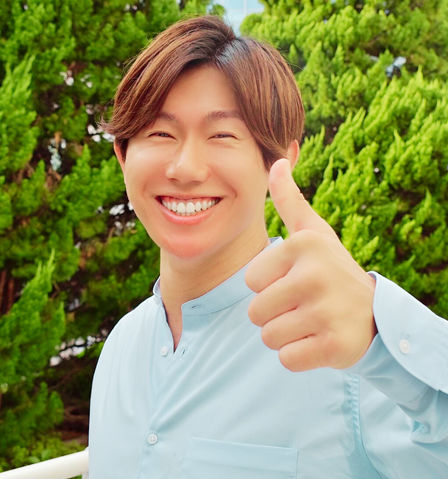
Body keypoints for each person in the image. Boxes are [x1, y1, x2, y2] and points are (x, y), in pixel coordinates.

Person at [89, 15, 448, 478]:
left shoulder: (348, 351)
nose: (185, 168)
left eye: (222, 135)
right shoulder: (121, 346)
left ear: (281, 161)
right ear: (123, 156)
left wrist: (382, 332)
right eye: (160, 133)